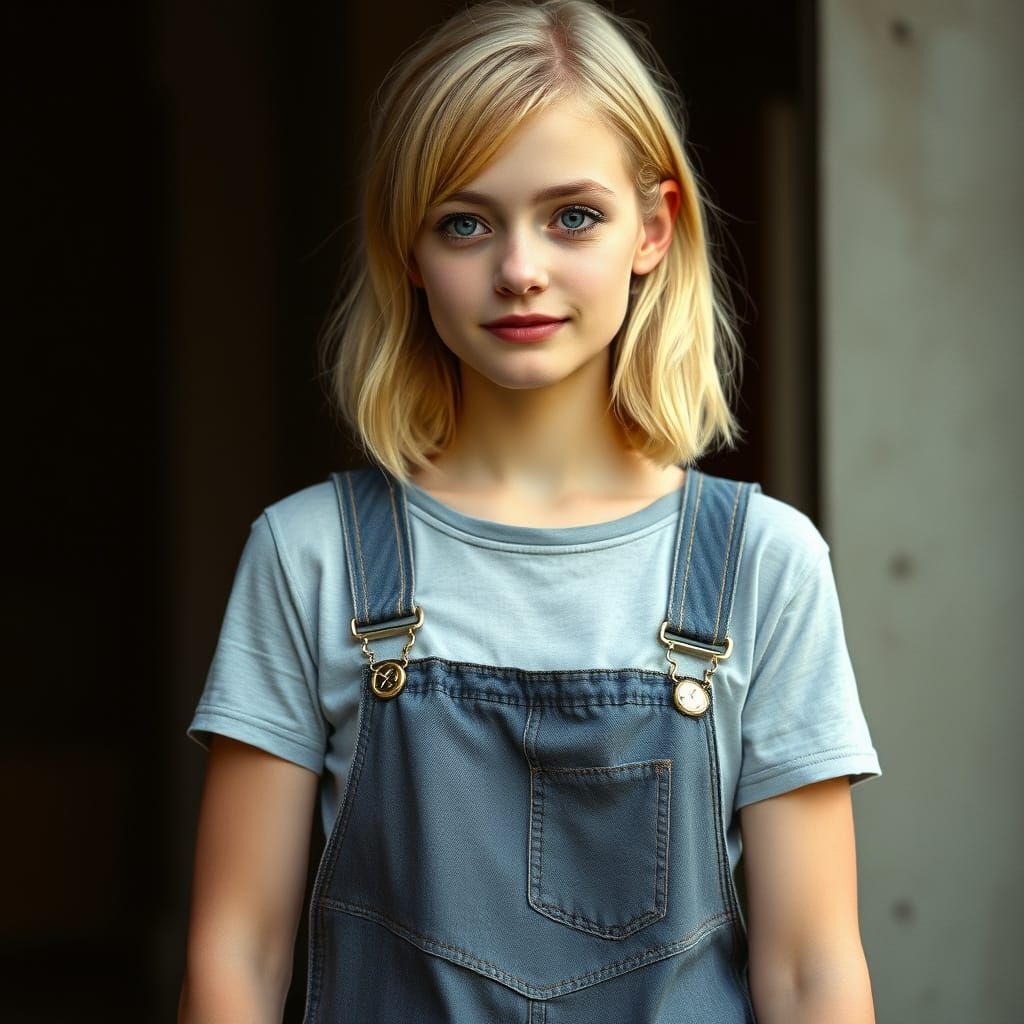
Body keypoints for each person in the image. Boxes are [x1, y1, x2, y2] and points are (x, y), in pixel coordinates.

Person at [179, 1, 880, 1021]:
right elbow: (238, 953)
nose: (518, 269)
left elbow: (811, 968)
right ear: (409, 251)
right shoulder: (309, 555)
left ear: (653, 228)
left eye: (572, 216)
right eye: (464, 221)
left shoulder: (762, 562)